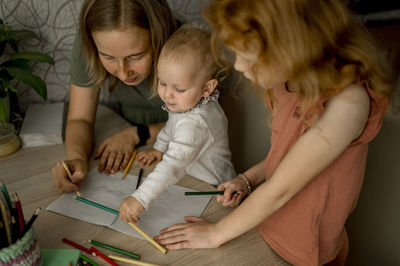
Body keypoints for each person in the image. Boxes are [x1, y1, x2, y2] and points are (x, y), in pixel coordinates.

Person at [154, 0, 393, 265]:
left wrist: (215, 234)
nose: (239, 67)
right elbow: (287, 156)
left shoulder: (348, 105)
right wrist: (248, 179)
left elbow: (282, 188)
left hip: (304, 251)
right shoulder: (287, 82)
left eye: (248, 56)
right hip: (266, 227)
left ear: (293, 45)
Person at [52, 0, 179, 193]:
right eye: (108, 57)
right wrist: (77, 158)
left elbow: (203, 123)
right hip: (134, 134)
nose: (123, 73)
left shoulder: (186, 46)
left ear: (159, 37)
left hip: (184, 147)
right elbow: (80, 118)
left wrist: (138, 134)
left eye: (135, 56)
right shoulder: (92, 41)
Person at [118, 24, 236, 223]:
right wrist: (159, 148)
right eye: (163, 83)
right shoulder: (185, 104)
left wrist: (140, 198)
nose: (167, 94)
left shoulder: (196, 122)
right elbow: (171, 127)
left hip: (214, 191)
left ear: (207, 88)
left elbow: (172, 165)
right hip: (191, 179)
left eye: (179, 88)